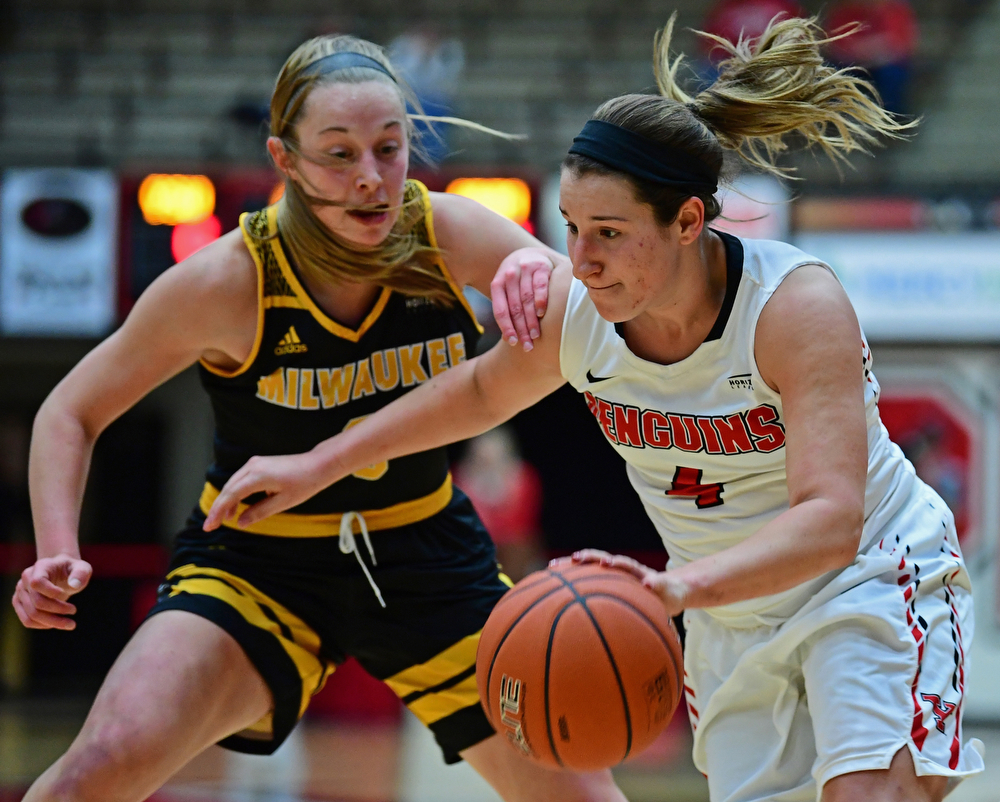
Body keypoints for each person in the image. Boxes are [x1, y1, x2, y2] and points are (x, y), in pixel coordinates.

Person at [205, 16, 985, 802]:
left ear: (688, 222)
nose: (580, 261)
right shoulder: (582, 314)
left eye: (608, 233)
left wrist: (678, 589)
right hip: (730, 614)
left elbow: (831, 518)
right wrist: (318, 463)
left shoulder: (792, 308)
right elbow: (476, 392)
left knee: (867, 794)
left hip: (865, 576)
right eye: (573, 230)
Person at [11, 35, 629, 802]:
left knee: (585, 795)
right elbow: (70, 410)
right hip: (258, 563)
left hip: (426, 554)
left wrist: (537, 265)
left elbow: (582, 311)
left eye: (389, 148)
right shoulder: (227, 280)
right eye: (339, 154)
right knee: (98, 766)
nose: (370, 177)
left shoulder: (448, 233)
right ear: (286, 159)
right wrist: (54, 549)